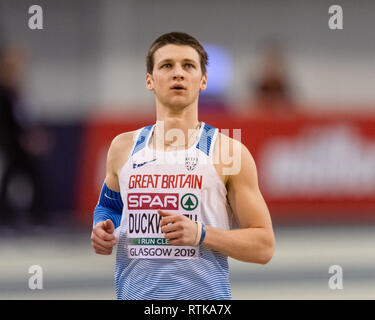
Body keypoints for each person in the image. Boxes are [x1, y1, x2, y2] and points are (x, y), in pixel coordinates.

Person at [90, 32, 275, 300]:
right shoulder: (123, 148)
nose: (178, 73)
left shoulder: (228, 152)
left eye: (188, 65)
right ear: (149, 80)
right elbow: (109, 206)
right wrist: (102, 227)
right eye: (167, 65)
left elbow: (264, 246)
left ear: (203, 81)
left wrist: (201, 234)